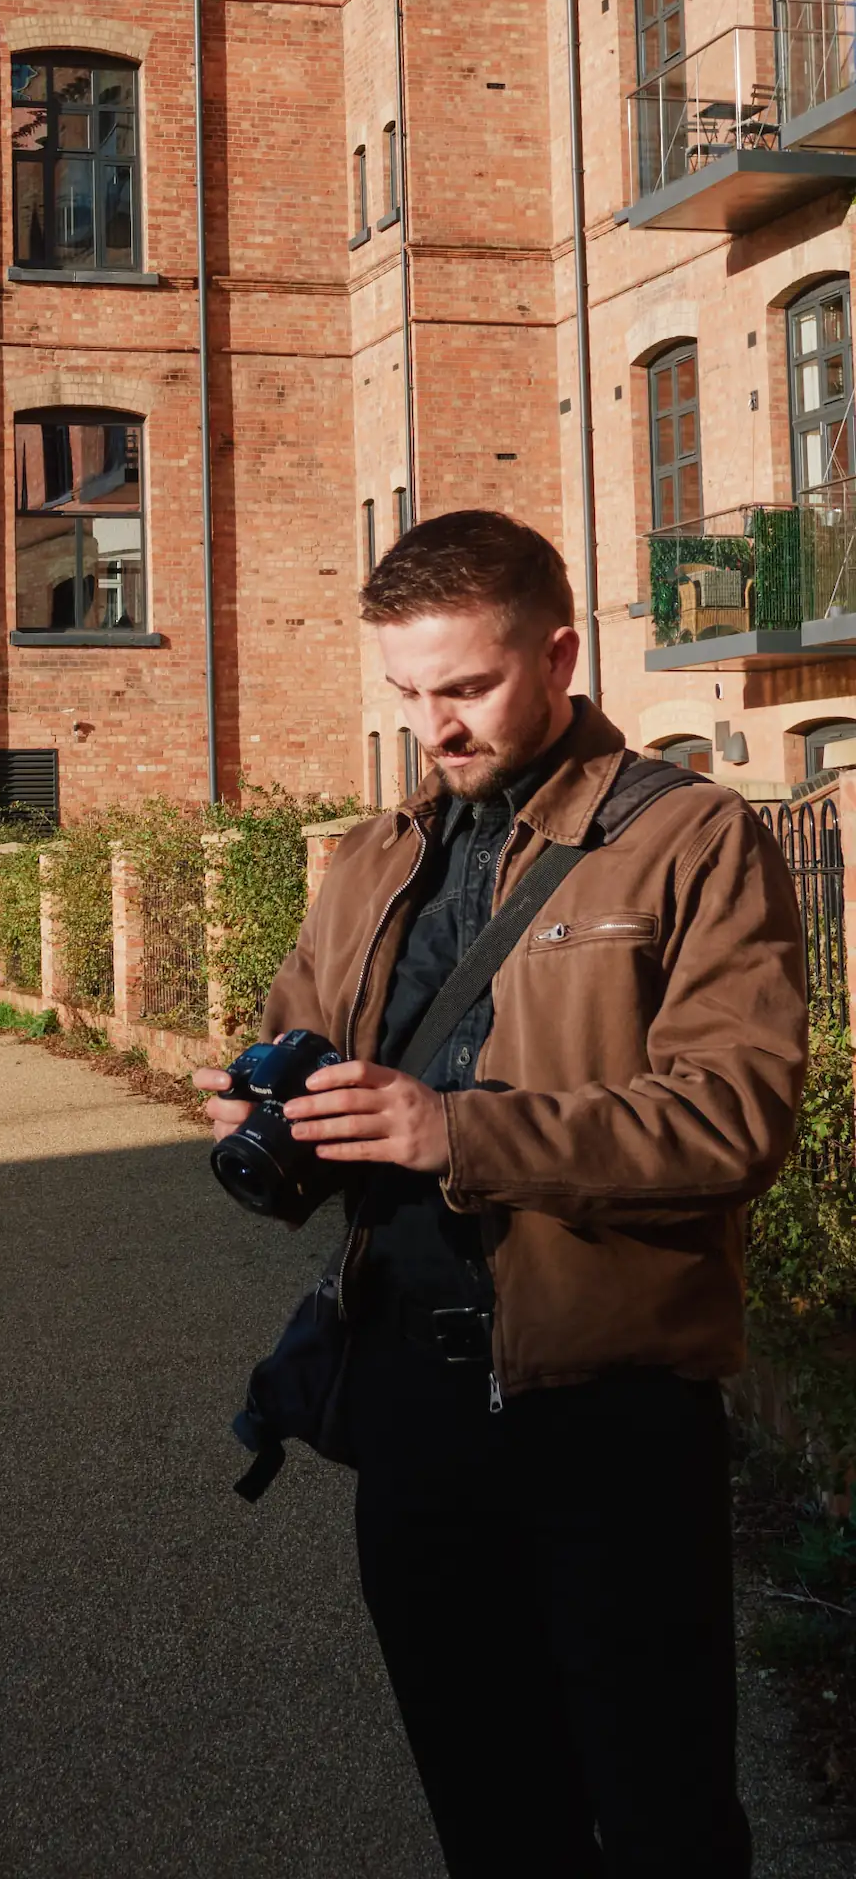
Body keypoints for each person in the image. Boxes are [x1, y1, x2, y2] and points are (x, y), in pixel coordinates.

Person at [196, 512, 807, 1879]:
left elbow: (736, 1118)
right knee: (492, 1823)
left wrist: (453, 1130)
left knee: (665, 1827)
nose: (435, 728)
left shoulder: (692, 840)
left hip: (606, 1410)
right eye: (408, 693)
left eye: (466, 687)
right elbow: (308, 1045)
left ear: (561, 656)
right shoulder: (372, 859)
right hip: (409, 1410)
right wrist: (270, 1114)